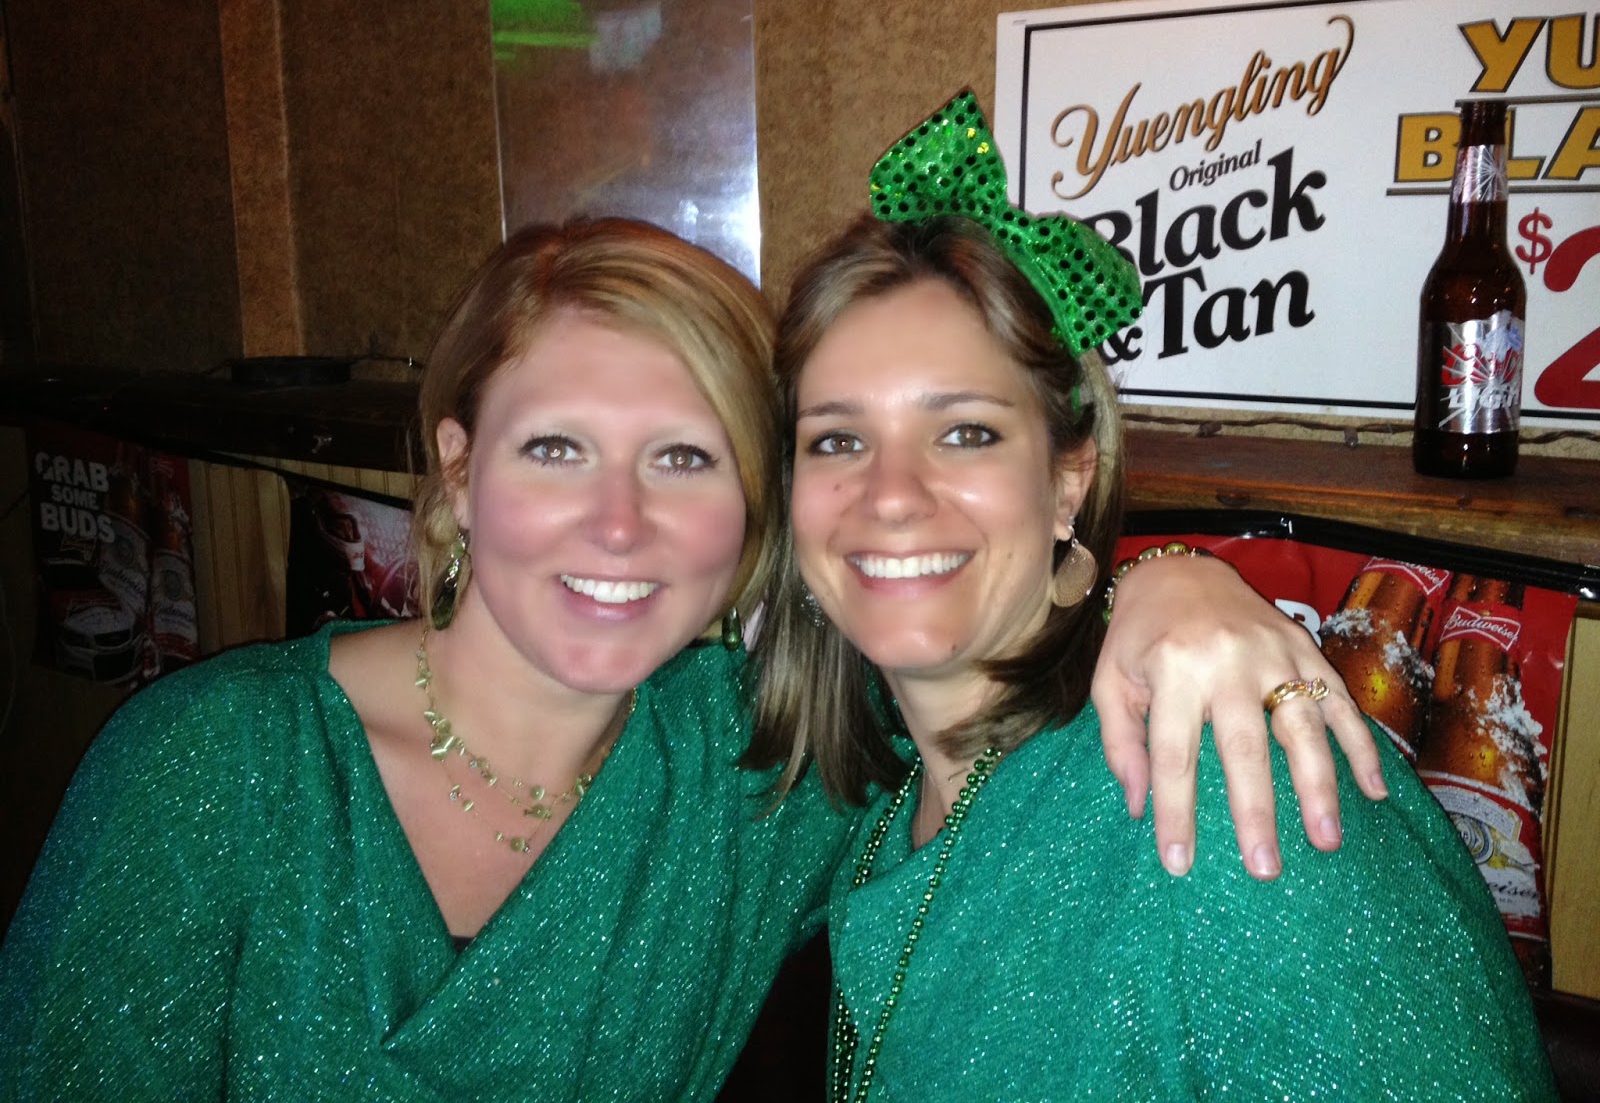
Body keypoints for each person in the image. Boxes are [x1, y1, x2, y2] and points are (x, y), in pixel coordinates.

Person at [2, 217, 1378, 1101]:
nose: (620, 523)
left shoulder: (755, 766)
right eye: (556, 449)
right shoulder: (211, 765)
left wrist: (1170, 586)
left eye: (683, 457)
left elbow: (991, 684)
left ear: (756, 508)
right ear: (459, 472)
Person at [750, 92, 1558, 1102]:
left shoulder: (1220, 775)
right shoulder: (874, 800)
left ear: (1069, 480)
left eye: (965, 433)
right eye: (836, 439)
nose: (890, 495)